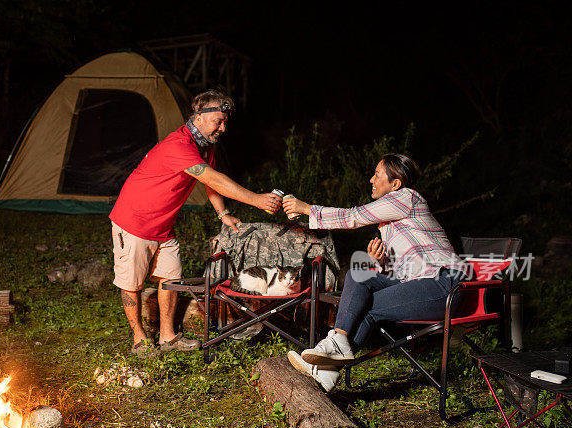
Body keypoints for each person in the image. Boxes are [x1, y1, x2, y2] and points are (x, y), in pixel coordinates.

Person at [109, 89, 282, 356]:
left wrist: (222, 213)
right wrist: (256, 200)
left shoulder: (204, 145)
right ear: (199, 117)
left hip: (164, 226)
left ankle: (168, 336)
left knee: (170, 277)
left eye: (226, 122)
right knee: (131, 283)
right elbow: (213, 179)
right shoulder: (178, 145)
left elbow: (209, 181)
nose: (223, 128)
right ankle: (139, 339)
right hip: (134, 221)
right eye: (218, 121)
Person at [282, 153, 468, 391]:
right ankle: (331, 363)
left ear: (396, 183)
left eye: (377, 174)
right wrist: (379, 263)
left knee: (365, 306)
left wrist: (307, 209)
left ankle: (333, 354)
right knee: (358, 275)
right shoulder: (389, 224)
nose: (371, 179)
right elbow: (403, 275)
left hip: (445, 285)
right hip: (424, 283)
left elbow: (353, 217)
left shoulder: (408, 197)